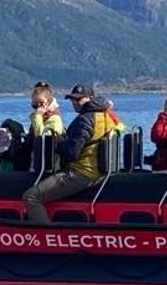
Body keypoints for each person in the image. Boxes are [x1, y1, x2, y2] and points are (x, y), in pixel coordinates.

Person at [22, 83, 118, 224]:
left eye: (79, 99)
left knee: (31, 197)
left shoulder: (85, 120)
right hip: (100, 171)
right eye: (72, 99)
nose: (75, 102)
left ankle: (45, 234)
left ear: (90, 98)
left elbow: (71, 153)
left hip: (82, 172)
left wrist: (57, 143)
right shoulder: (106, 115)